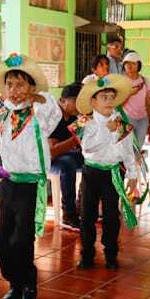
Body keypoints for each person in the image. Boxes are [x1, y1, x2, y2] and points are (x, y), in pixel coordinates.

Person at [0, 54, 61, 299]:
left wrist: (38, 98)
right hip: (9, 182)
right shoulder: (2, 114)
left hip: (31, 183)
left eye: (21, 85)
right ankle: (13, 281)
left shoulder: (40, 112)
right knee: (3, 238)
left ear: (32, 88)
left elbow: (52, 109)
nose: (14, 91)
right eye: (10, 85)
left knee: (22, 239)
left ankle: (27, 281)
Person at [73, 75, 137, 270]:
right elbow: (87, 148)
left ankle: (111, 254)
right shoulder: (86, 123)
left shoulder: (122, 124)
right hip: (91, 173)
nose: (109, 101)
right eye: (104, 97)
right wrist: (107, 132)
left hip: (113, 174)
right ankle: (87, 255)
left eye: (112, 97)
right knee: (87, 215)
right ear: (93, 101)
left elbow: (127, 150)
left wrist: (133, 173)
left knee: (111, 217)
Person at [49, 82, 84, 230]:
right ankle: (68, 213)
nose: (80, 105)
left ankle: (82, 204)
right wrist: (75, 140)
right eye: (77, 101)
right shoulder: (53, 116)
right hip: (47, 159)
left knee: (93, 159)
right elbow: (51, 152)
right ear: (63, 101)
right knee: (68, 163)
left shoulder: (73, 117)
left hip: (66, 154)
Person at [121, 52, 150, 147]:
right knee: (127, 147)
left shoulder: (144, 81)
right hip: (126, 118)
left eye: (133, 63)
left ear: (138, 65)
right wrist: (131, 93)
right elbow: (118, 104)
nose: (129, 65)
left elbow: (147, 103)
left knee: (138, 146)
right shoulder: (121, 81)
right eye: (127, 63)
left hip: (143, 119)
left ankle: (136, 162)